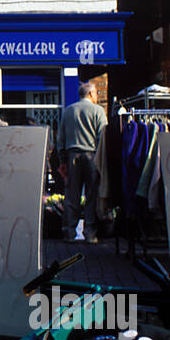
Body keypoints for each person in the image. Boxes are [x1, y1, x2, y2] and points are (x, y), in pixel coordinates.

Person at [58, 81, 107, 244]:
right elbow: (102, 136)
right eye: (96, 94)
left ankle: (69, 232)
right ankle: (90, 233)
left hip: (72, 155)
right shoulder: (98, 111)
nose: (97, 97)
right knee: (91, 194)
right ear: (91, 94)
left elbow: (61, 138)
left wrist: (62, 159)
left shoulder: (68, 111)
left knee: (72, 195)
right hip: (92, 155)